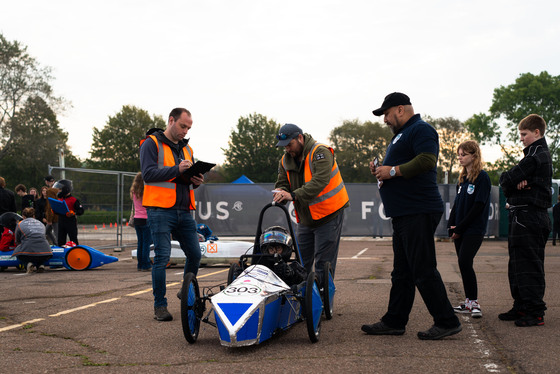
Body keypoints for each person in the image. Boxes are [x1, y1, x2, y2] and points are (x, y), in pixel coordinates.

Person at [361, 92, 461, 340]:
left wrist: (392, 170)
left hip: (418, 210)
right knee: (402, 272)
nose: (385, 119)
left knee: (423, 269)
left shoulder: (421, 129)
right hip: (405, 213)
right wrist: (382, 170)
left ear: (400, 109)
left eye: (386, 113)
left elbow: (427, 161)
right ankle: (395, 320)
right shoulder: (401, 136)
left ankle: (446, 320)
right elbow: (399, 168)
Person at [140, 107, 204, 322]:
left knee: (195, 254)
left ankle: (185, 290)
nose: (185, 131)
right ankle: (160, 306)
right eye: (182, 126)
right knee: (162, 259)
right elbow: (147, 175)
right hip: (160, 210)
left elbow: (184, 178)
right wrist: (178, 170)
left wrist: (195, 180)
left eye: (188, 127)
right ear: (171, 121)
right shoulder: (151, 143)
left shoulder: (188, 149)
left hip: (184, 210)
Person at [272, 123, 349, 285]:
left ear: (299, 138)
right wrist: (280, 192)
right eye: (284, 147)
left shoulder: (320, 152)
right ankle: (302, 302)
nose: (287, 149)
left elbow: (319, 182)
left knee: (323, 264)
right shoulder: (285, 161)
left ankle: (321, 305)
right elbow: (282, 182)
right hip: (306, 219)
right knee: (301, 263)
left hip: (329, 215)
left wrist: (292, 195)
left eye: (289, 145)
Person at [498, 114, 552, 327]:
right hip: (523, 216)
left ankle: (535, 311)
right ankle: (521, 306)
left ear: (536, 133)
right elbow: (509, 183)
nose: (521, 138)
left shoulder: (537, 155)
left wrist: (513, 183)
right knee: (518, 265)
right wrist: (514, 185)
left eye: (524, 134)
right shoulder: (534, 155)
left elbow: (506, 179)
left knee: (529, 265)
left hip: (529, 217)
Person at [448, 140, 491, 319]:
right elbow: (457, 205)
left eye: (463, 154)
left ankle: (474, 302)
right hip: (460, 229)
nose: (460, 157)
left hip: (473, 229)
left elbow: (478, 206)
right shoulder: (462, 179)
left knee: (465, 261)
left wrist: (461, 227)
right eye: (458, 154)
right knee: (463, 264)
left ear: (474, 155)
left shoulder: (482, 177)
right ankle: (468, 302)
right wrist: (451, 225)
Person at [13, 207, 53, 273]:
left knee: (19, 254)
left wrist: (20, 245)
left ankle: (28, 264)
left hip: (28, 251)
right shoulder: (41, 223)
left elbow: (17, 240)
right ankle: (41, 265)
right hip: (46, 251)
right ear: (33, 216)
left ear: (23, 216)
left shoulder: (19, 224)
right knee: (40, 256)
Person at [130, 172, 152, 271]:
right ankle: (146, 264)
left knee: (140, 243)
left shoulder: (134, 192)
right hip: (145, 218)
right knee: (146, 244)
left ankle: (140, 264)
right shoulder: (146, 191)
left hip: (137, 218)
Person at [53, 179, 84, 246]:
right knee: (60, 241)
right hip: (61, 222)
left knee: (73, 240)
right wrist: (55, 210)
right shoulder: (60, 199)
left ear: (65, 189)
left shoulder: (74, 200)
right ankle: (62, 255)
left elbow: (81, 211)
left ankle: (76, 253)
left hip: (70, 223)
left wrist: (74, 212)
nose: (59, 191)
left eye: (60, 189)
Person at [44, 175, 59, 245]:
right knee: (46, 231)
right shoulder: (58, 190)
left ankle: (58, 245)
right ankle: (55, 243)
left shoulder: (49, 191)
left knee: (57, 234)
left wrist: (49, 219)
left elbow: (50, 205)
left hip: (53, 217)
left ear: (47, 182)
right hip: (58, 214)